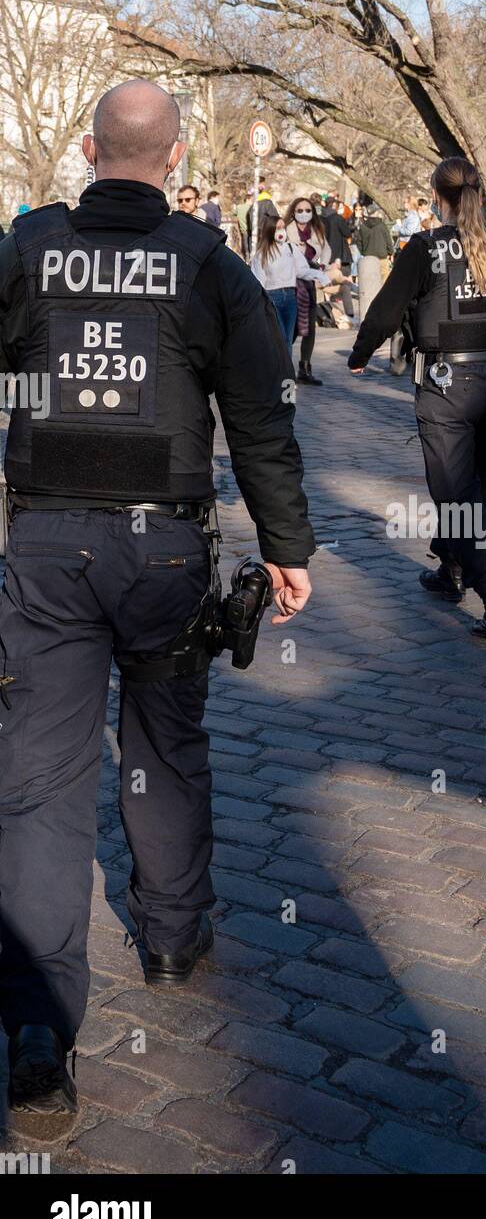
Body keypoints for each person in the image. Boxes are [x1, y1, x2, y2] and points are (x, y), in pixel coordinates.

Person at [0, 79, 314, 1115]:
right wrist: (286, 548)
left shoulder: (30, 249)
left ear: (89, 150)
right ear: (175, 157)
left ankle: (41, 1030)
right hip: (167, 553)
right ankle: (173, 939)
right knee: (165, 749)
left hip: (45, 544)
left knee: (41, 781)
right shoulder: (209, 264)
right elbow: (261, 418)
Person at [347, 156, 486, 642]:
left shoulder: (424, 248)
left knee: (455, 498)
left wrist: (359, 354)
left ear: (437, 196)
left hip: (446, 391)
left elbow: (386, 310)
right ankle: (451, 567)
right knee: (471, 489)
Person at [251, 211, 341, 356]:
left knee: (288, 338)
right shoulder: (262, 255)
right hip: (272, 298)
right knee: (278, 337)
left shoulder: (290, 248)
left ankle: (286, 375)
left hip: (291, 297)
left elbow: (302, 270)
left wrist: (321, 276)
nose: (281, 231)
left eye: (283, 227)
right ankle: (276, 371)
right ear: (270, 230)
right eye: (277, 228)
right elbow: (258, 281)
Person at [284, 197, 332, 385]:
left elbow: (326, 250)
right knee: (293, 327)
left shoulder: (317, 230)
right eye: (299, 210)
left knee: (309, 327)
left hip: (311, 281)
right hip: (292, 282)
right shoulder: (287, 230)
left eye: (307, 210)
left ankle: (305, 367)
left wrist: (323, 266)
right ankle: (282, 365)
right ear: (293, 211)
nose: (303, 213)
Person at [354, 201, 394, 330]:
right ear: (376, 212)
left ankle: (372, 309)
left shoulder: (363, 226)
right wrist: (390, 252)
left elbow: (358, 242)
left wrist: (364, 252)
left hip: (368, 258)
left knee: (370, 286)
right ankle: (385, 309)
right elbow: (388, 240)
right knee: (385, 284)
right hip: (382, 258)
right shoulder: (382, 225)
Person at [321, 197, 355, 323]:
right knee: (345, 285)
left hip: (326, 257)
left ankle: (326, 312)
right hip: (341, 255)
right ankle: (349, 313)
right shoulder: (337, 218)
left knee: (326, 286)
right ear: (334, 205)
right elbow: (347, 233)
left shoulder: (321, 219)